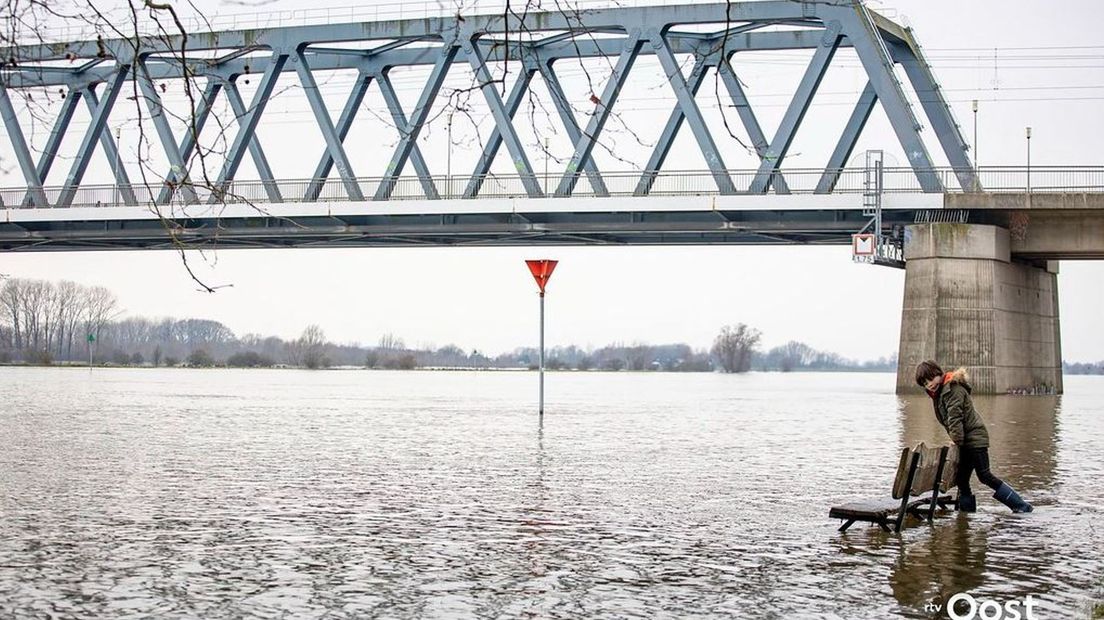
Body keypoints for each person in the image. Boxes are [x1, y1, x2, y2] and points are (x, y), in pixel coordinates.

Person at [914, 361, 1033, 513]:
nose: (929, 385)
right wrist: (958, 441)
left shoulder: (951, 390)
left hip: (975, 439)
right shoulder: (940, 393)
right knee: (962, 480)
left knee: (984, 476)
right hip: (965, 441)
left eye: (930, 379)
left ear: (938, 374)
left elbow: (955, 418)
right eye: (924, 383)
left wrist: (955, 441)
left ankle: (1022, 507)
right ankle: (966, 517)